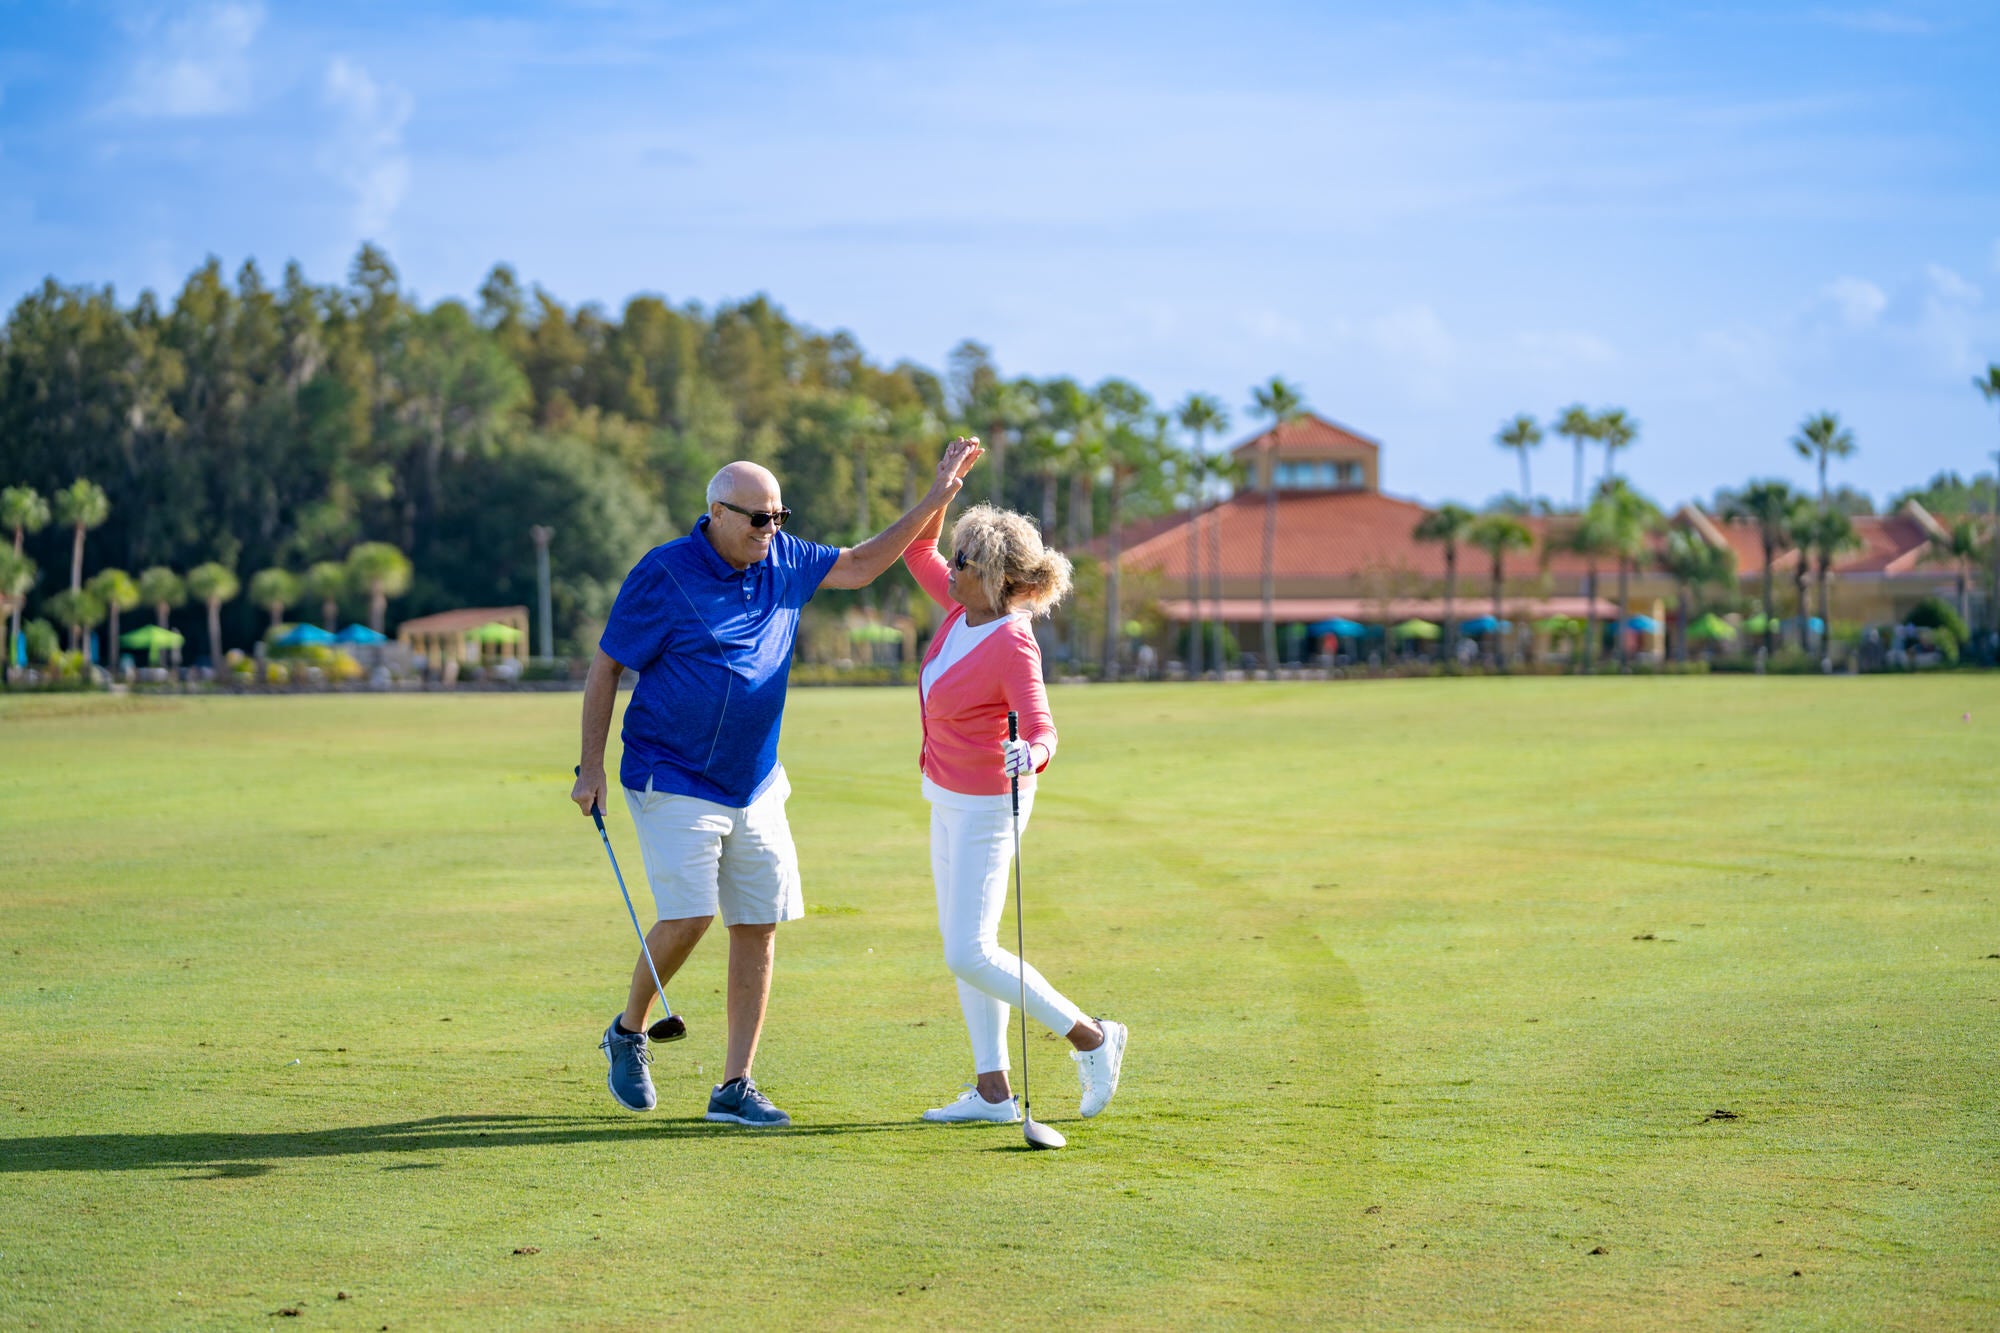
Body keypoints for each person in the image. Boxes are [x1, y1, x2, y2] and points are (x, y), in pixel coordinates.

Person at [572, 438, 984, 1127]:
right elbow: (607, 666)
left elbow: (859, 563)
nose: (773, 530)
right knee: (690, 915)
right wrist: (589, 767)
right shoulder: (664, 574)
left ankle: (734, 1085)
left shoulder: (785, 557)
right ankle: (629, 1029)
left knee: (758, 924)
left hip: (756, 780)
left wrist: (937, 500)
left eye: (779, 516)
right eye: (759, 518)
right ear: (715, 514)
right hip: (669, 773)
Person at [901, 503, 1127, 1125]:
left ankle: (1093, 1037)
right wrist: (945, 489)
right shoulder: (957, 608)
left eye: (965, 560)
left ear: (994, 577)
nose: (951, 566)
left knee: (969, 952)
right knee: (963, 945)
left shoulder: (1012, 641)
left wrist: (1030, 753)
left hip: (990, 805)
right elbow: (917, 550)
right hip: (944, 798)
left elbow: (1044, 729)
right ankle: (993, 1093)